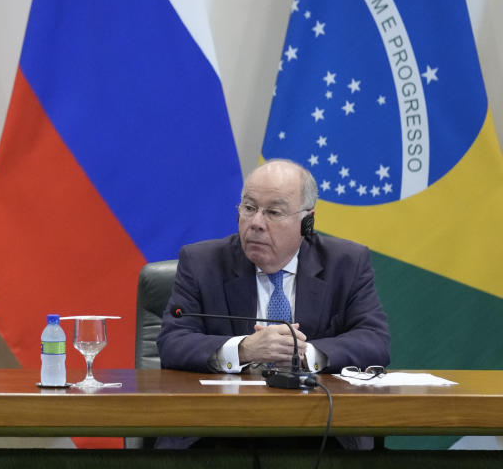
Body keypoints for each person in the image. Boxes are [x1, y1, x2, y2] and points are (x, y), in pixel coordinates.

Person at [156, 158, 389, 449]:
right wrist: (243, 349)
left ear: (307, 221)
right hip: (218, 429)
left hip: (319, 430)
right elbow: (172, 341)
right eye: (249, 208)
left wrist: (308, 353)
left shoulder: (346, 263)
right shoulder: (201, 263)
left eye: (273, 212)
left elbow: (374, 340)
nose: (256, 223)